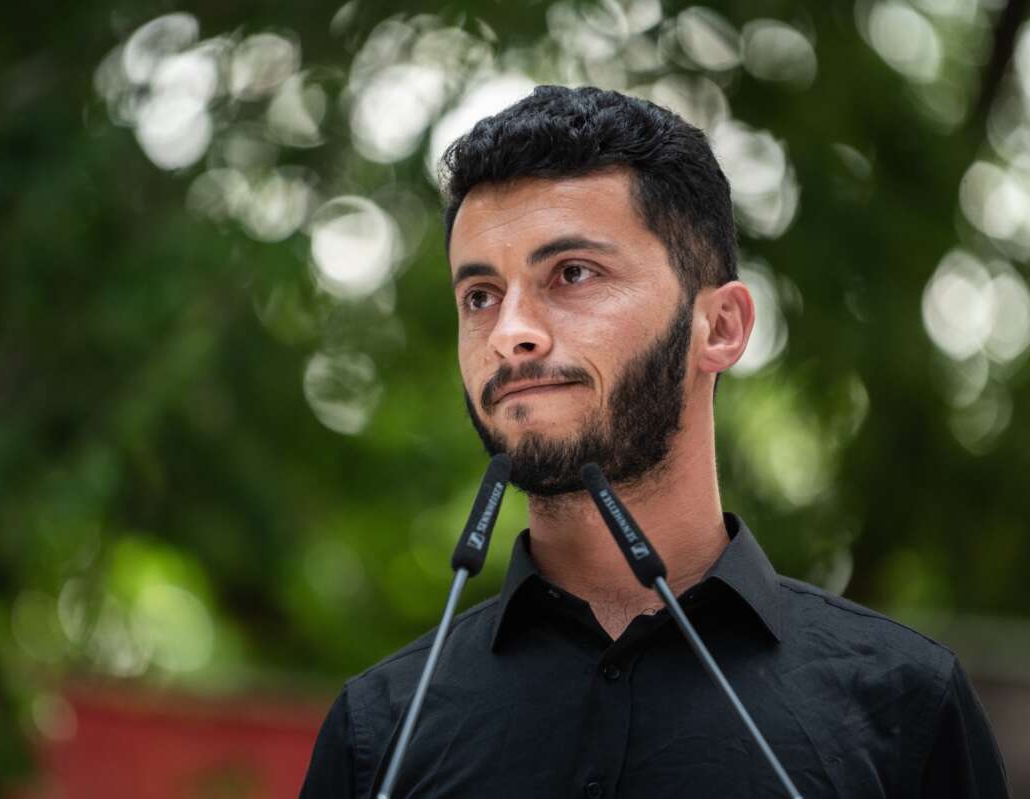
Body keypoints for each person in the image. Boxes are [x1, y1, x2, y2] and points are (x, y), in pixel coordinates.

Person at [300, 86, 1008, 798]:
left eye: (572, 274)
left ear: (721, 327)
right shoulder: (379, 733)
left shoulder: (906, 708)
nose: (510, 331)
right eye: (480, 294)